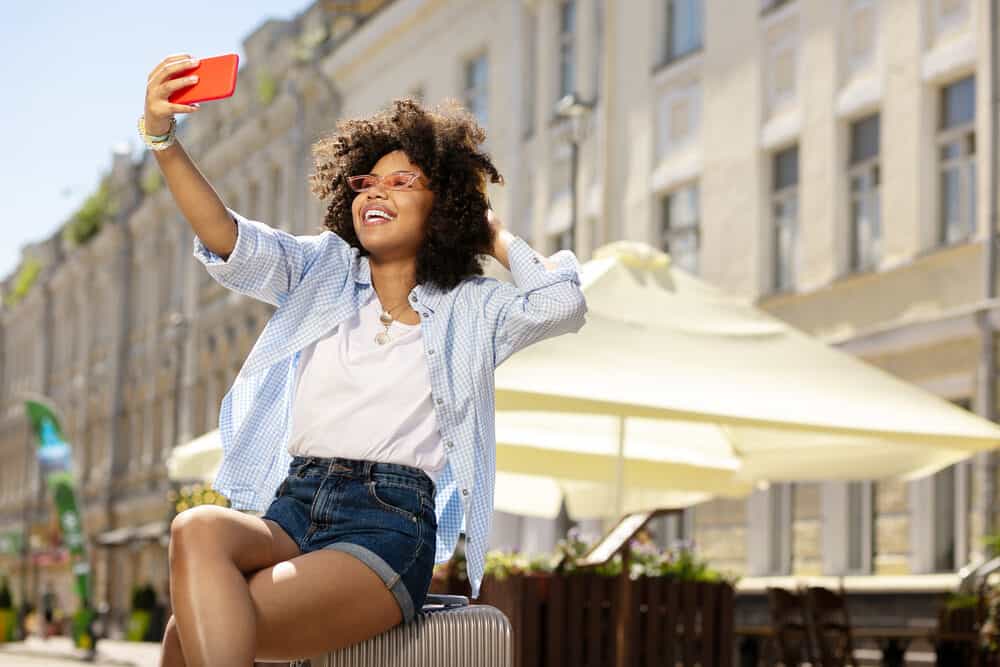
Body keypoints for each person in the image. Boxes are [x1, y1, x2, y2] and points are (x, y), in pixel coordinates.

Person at [143, 53, 587, 666]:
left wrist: (490, 232)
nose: (376, 191)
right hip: (295, 506)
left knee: (182, 638)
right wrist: (163, 140)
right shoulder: (318, 271)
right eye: (365, 182)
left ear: (444, 204)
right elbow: (228, 237)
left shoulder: (472, 310)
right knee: (196, 529)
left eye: (402, 182)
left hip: (387, 526)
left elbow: (561, 302)